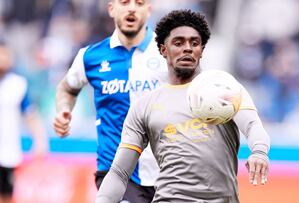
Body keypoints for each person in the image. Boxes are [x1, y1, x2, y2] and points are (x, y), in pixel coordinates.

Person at [96, 9, 270, 203]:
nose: (187, 48)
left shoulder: (225, 88)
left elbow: (253, 125)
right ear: (163, 49)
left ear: (202, 50)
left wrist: (259, 152)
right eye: (178, 43)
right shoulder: (144, 106)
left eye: (194, 43)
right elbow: (119, 172)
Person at [52, 0, 168, 202]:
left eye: (139, 3)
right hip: (115, 171)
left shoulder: (169, 53)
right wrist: (64, 110)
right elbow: (67, 87)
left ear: (148, 10)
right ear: (111, 8)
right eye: (124, 2)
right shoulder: (90, 57)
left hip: (166, 171)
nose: (131, 8)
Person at [0, 43, 48, 203]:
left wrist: (40, 140)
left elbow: (30, 114)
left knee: (6, 194)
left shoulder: (17, 85)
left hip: (7, 152)